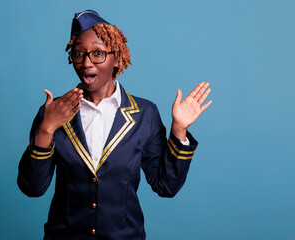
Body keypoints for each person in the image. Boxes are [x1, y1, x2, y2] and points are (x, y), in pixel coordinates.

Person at [17, 9, 212, 240]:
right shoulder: (52, 111)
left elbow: (165, 186)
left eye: (98, 53)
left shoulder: (144, 114)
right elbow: (32, 188)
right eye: (79, 53)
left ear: (116, 57)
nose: (86, 62)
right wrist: (46, 129)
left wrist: (179, 129)